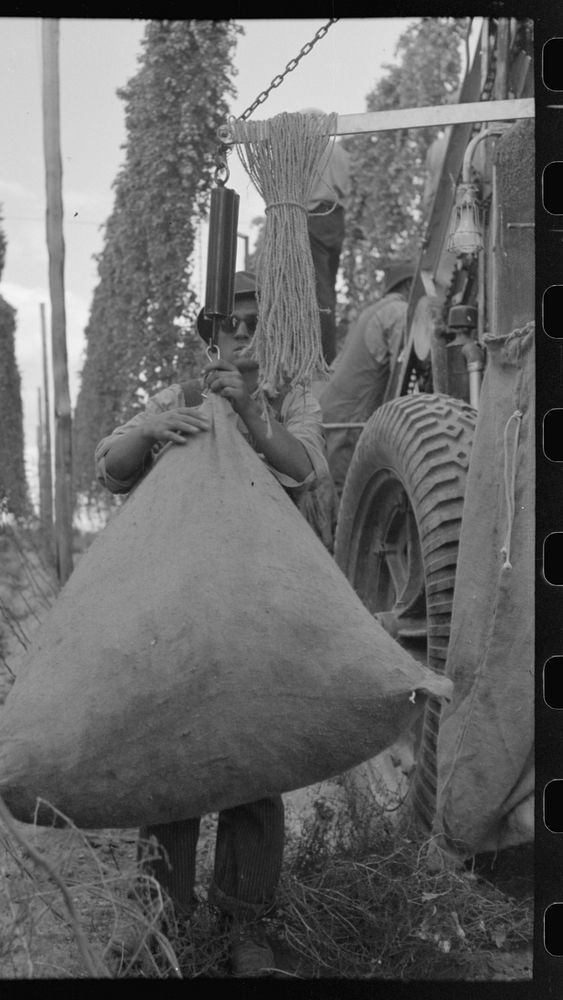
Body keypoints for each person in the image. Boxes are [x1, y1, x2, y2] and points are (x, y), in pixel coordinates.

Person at [95, 270, 331, 976]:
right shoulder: (181, 396)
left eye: (253, 320)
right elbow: (111, 466)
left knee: (253, 767)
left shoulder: (292, 399)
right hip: (183, 604)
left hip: (260, 605)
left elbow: (308, 469)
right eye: (227, 323)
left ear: (272, 331)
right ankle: (159, 916)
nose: (239, 332)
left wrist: (255, 414)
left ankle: (245, 927)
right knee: (174, 756)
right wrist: (149, 429)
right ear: (207, 333)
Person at [319, 260, 415, 499]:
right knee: (345, 498)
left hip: (330, 413)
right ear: (409, 285)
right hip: (350, 422)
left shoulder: (371, 311)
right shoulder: (398, 313)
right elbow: (401, 375)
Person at [302, 108, 352, 366]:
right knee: (327, 291)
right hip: (336, 218)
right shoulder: (340, 151)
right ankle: (326, 355)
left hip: (312, 216)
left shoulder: (306, 148)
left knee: (313, 292)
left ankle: (319, 358)